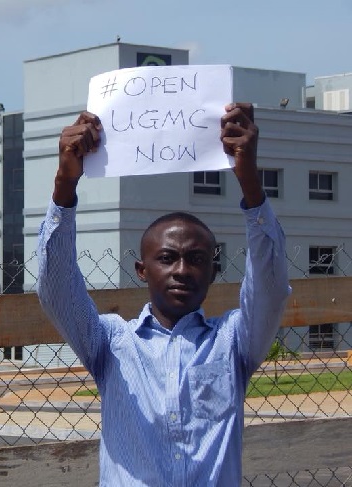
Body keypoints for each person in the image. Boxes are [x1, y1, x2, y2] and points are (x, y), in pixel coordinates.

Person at [36, 103, 291, 486]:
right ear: (142, 270)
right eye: (167, 258)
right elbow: (57, 290)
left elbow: (270, 288)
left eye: (197, 259)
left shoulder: (233, 342)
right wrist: (64, 185)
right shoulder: (110, 342)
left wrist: (250, 182)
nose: (182, 270)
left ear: (212, 271)